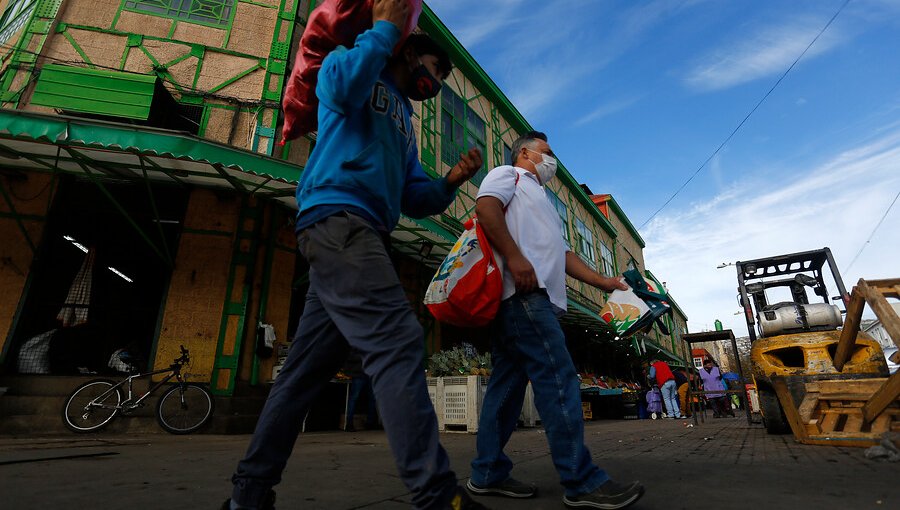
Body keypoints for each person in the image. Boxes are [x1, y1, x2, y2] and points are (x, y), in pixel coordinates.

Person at [224, 1, 487, 509]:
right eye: (435, 70)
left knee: (301, 376)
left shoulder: (406, 122)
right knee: (397, 340)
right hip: (336, 218)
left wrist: (451, 181)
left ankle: (248, 497)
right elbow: (339, 89)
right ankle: (436, 496)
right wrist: (384, 29)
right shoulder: (349, 63)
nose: (434, 86)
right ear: (410, 54)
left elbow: (412, 196)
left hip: (363, 229)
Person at [465, 131, 645, 510]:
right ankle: (581, 481)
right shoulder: (507, 175)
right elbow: (485, 208)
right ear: (525, 153)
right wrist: (515, 258)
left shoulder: (543, 201)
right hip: (525, 295)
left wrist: (605, 281)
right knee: (558, 380)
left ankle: (486, 474)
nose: (552, 159)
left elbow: (564, 256)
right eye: (547, 152)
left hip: (528, 301)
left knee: (506, 389)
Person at [343, 349, 378, 432]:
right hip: (359, 373)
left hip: (368, 373)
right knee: (354, 398)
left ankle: (370, 422)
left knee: (371, 398)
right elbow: (350, 356)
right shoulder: (356, 345)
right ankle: (349, 423)